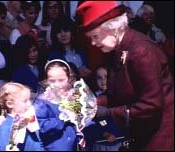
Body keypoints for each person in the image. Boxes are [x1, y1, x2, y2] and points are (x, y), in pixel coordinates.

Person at [76, 1, 174, 151]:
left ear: (113, 28)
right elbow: (119, 92)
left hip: (159, 138)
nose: (93, 43)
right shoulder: (119, 50)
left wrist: (108, 113)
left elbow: (152, 105)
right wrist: (93, 103)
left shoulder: (141, 51)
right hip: (142, 135)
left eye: (95, 36)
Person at [33, 59, 78, 151]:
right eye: (52, 81)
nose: (57, 84)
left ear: (69, 78)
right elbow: (42, 126)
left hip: (75, 145)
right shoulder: (42, 101)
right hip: (54, 147)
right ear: (46, 80)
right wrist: (62, 118)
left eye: (61, 80)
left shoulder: (73, 96)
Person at [0, 82, 45, 151]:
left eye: (30, 99)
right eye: (25, 101)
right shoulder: (8, 126)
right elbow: (6, 147)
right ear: (10, 104)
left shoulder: (27, 119)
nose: (29, 104)